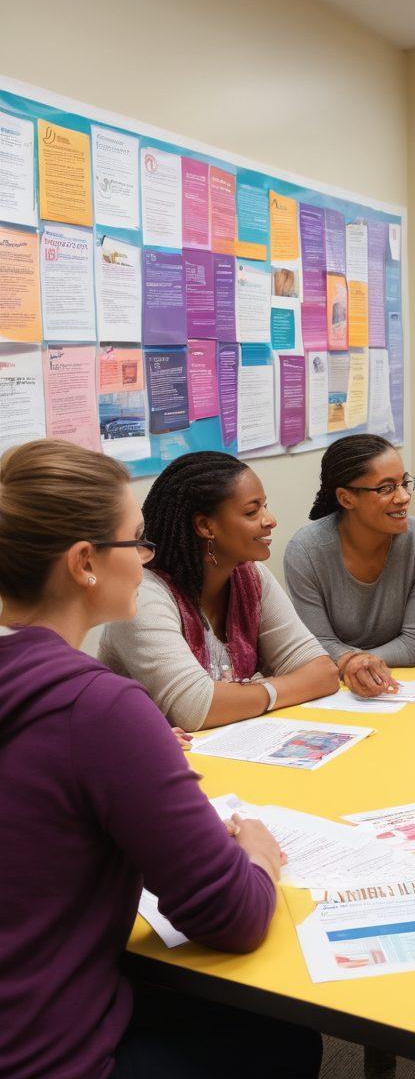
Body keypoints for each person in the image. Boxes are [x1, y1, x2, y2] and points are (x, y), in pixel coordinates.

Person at [0, 439, 321, 1078]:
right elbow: (230, 915)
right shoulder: (99, 709)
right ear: (86, 563)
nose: (147, 557)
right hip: (52, 1055)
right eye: (137, 541)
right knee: (287, 1038)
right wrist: (255, 850)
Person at [100, 451, 338, 731]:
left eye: (265, 506)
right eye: (252, 511)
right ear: (205, 526)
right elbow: (195, 710)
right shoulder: (145, 595)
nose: (270, 520)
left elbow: (324, 673)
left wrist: (243, 697)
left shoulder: (251, 576)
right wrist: (272, 690)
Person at [284, 434, 415, 698]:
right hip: (335, 690)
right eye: (386, 488)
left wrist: (356, 662)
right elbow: (317, 642)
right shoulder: (306, 550)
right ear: (346, 499)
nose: (403, 497)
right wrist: (353, 664)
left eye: (404, 483)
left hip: (407, 687)